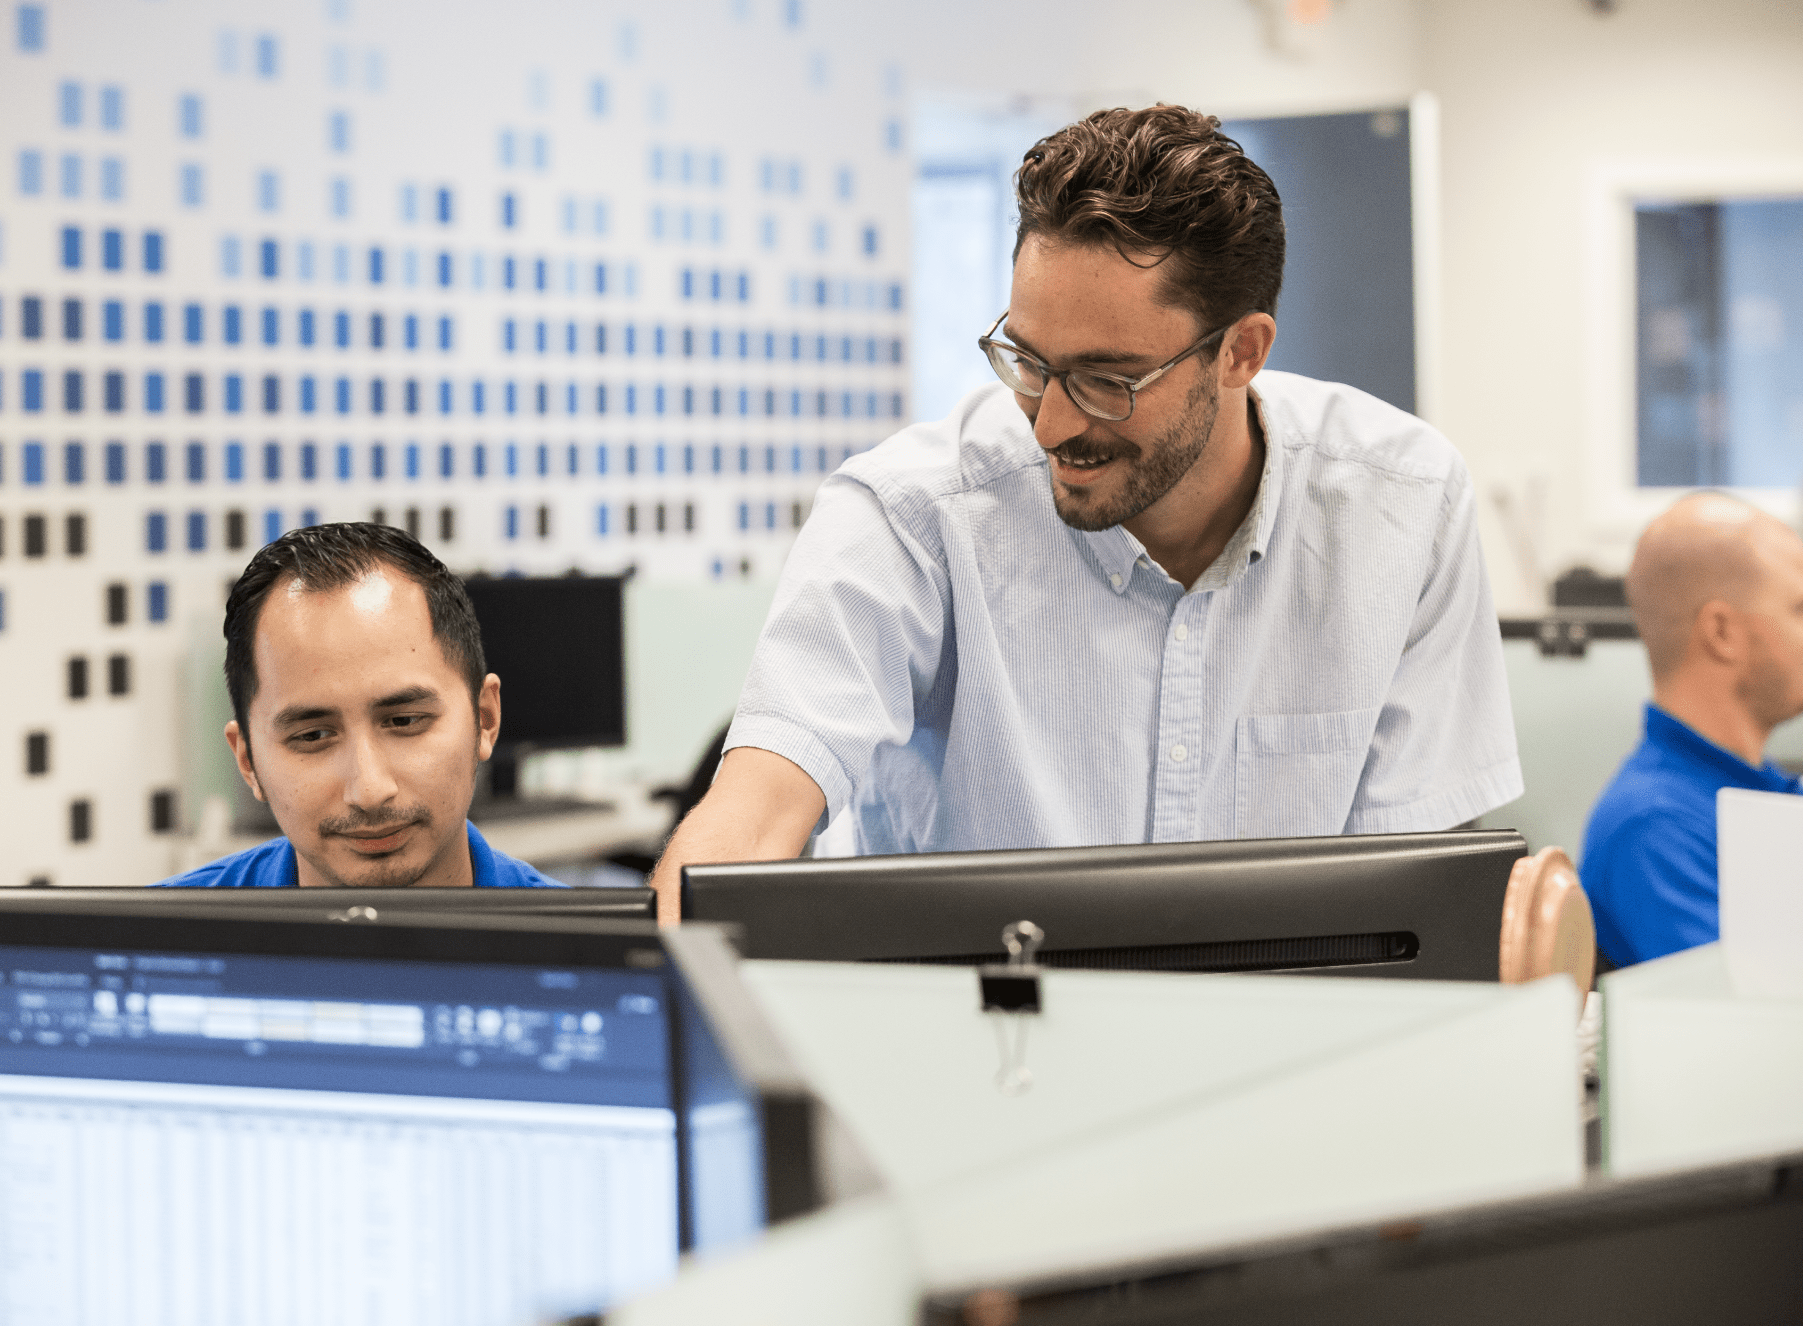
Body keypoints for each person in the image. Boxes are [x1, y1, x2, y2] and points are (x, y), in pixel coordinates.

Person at [649, 104, 1522, 920]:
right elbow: (751, 818)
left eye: (1108, 380)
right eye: (1028, 362)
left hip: (1289, 1024)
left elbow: (1420, 889)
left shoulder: (1402, 505)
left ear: (1240, 352)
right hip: (966, 1027)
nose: (1051, 425)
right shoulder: (911, 514)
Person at [157, 522, 562, 888]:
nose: (369, 791)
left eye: (404, 721)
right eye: (312, 736)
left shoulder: (584, 942)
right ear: (248, 762)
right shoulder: (160, 937)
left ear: (485, 719)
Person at [1582, 493, 1803, 964]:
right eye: (1799, 608)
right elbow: (1754, 1005)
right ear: (1722, 632)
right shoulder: (1654, 832)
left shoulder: (1764, 792)